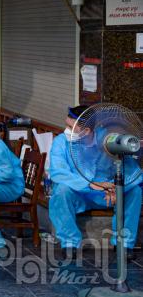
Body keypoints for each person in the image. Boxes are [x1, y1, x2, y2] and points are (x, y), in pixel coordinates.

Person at [49, 106, 142, 260]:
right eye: (66, 125)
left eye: (70, 127)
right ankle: (69, 242)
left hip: (108, 194)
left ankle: (124, 244)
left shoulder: (109, 140)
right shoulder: (61, 142)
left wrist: (116, 187)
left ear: (86, 131)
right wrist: (91, 185)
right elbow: (58, 173)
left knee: (135, 192)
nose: (66, 130)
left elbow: (133, 172)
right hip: (80, 193)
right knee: (61, 190)